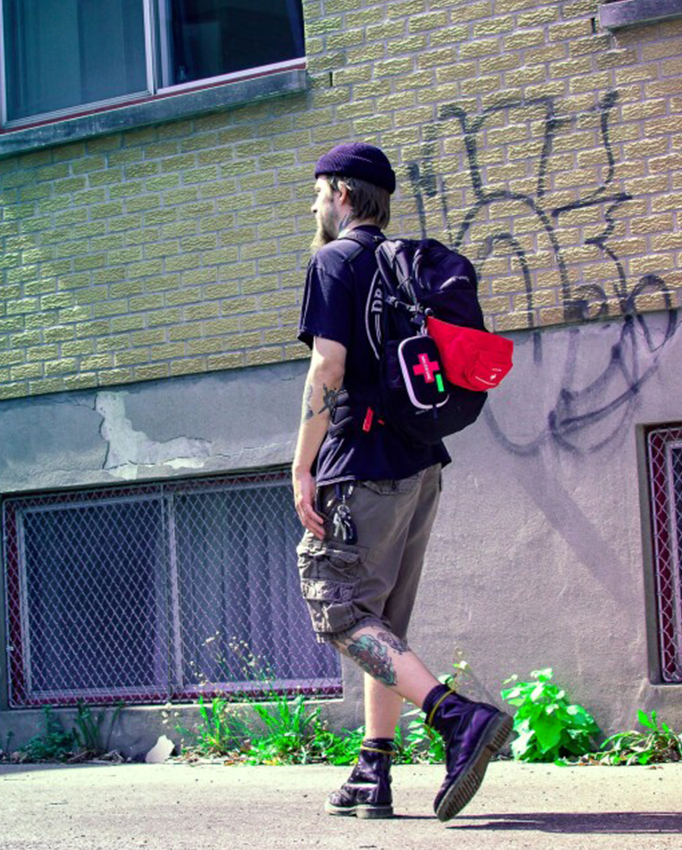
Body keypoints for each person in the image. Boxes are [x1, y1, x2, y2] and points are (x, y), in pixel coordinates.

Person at [291, 141, 512, 822]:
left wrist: (302, 464)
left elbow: (328, 367)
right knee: (384, 624)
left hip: (360, 469)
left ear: (343, 194)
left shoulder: (334, 261)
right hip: (420, 466)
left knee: (341, 611)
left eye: (319, 191)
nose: (315, 203)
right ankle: (373, 768)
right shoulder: (404, 263)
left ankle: (457, 718)